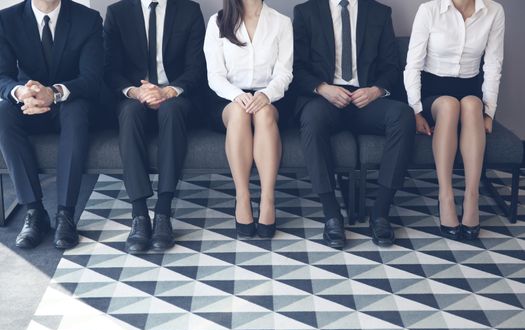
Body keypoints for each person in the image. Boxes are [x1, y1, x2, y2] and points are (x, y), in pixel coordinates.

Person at [293, 0, 415, 248]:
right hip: (326, 98)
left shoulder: (379, 12)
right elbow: (296, 67)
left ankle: (380, 212)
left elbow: (392, 66)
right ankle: (331, 214)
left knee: (402, 115)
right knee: (311, 117)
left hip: (366, 100)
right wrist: (322, 88)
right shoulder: (306, 11)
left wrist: (377, 90)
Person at [104, 0, 206, 254]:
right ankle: (139, 215)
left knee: (171, 111)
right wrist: (137, 92)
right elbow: (110, 70)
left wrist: (169, 91)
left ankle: (163, 213)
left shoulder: (189, 10)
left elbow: (197, 68)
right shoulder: (117, 12)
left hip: (175, 97)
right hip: (135, 96)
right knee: (129, 114)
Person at [0, 0, 103, 250]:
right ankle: (35, 212)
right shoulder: (6, 19)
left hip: (67, 102)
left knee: (76, 111)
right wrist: (20, 92)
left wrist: (54, 92)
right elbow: (1, 75)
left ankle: (65, 213)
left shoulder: (87, 19)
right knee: (2, 112)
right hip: (28, 102)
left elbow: (92, 78)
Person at [404, 0, 504, 240]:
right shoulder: (429, 10)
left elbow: (493, 65)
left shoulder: (494, 11)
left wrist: (489, 112)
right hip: (434, 91)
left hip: (470, 88)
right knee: (449, 105)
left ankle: (472, 197)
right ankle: (446, 196)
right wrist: (416, 110)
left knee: (472, 105)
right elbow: (413, 65)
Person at [204, 0, 293, 239]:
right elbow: (215, 75)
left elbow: (285, 73)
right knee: (240, 112)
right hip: (227, 98)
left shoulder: (282, 23)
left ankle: (267, 199)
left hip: (270, 96)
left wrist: (265, 95)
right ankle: (242, 197)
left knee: (263, 113)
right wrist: (238, 96)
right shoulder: (218, 22)